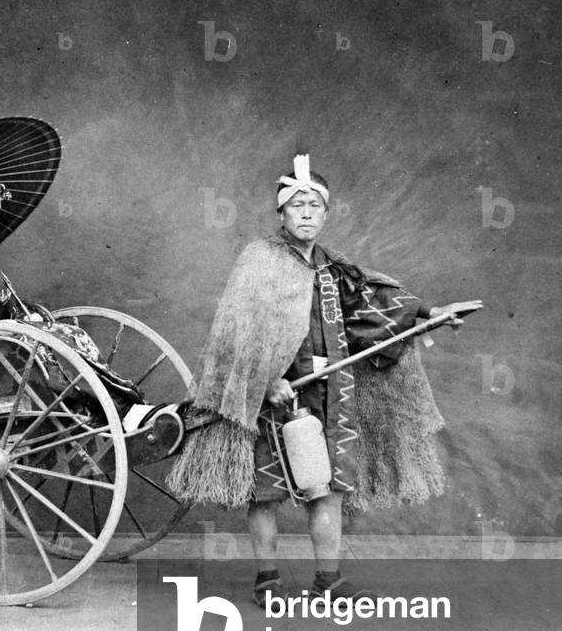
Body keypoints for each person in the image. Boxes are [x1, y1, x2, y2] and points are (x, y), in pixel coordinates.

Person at [166, 155, 475, 607]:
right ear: (282, 213)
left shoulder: (334, 268)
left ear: (326, 213)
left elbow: (378, 297)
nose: (306, 212)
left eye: (315, 205)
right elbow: (237, 331)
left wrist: (433, 314)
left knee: (325, 488)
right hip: (270, 397)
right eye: (297, 204)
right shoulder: (260, 260)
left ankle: (327, 582)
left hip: (331, 392)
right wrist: (266, 381)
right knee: (265, 489)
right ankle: (267, 579)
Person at [0, 183, 142, 407]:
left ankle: (119, 399)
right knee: (58, 341)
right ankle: (112, 404)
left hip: (14, 346)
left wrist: (28, 317)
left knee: (72, 335)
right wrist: (16, 326)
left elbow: (14, 308)